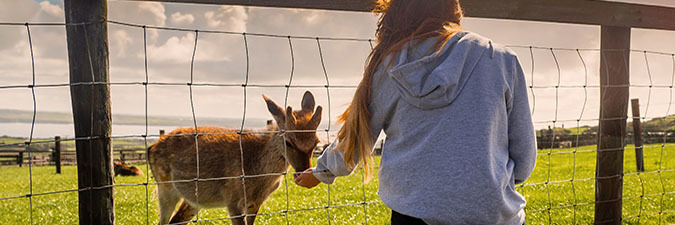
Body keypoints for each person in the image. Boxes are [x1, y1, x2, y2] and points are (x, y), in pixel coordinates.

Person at [293, 0, 537, 224]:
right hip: (497, 215)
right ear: (454, 10)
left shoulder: (388, 65)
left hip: (414, 215)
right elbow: (524, 159)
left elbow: (356, 140)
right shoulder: (502, 59)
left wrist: (319, 173)